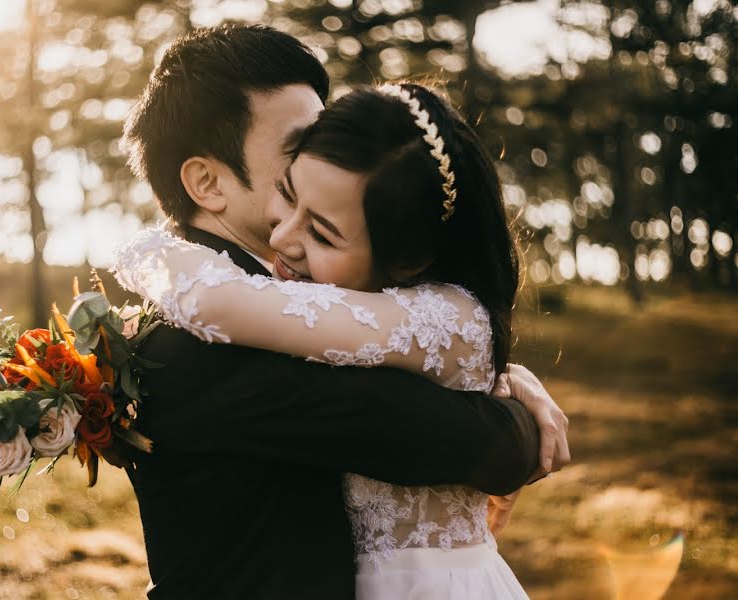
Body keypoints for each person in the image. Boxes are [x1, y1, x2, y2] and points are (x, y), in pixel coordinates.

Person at [112, 25, 569, 600]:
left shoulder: (292, 295)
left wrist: (489, 368)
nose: (326, 155)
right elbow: (458, 439)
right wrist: (519, 417)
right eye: (299, 148)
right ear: (206, 181)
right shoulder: (192, 347)